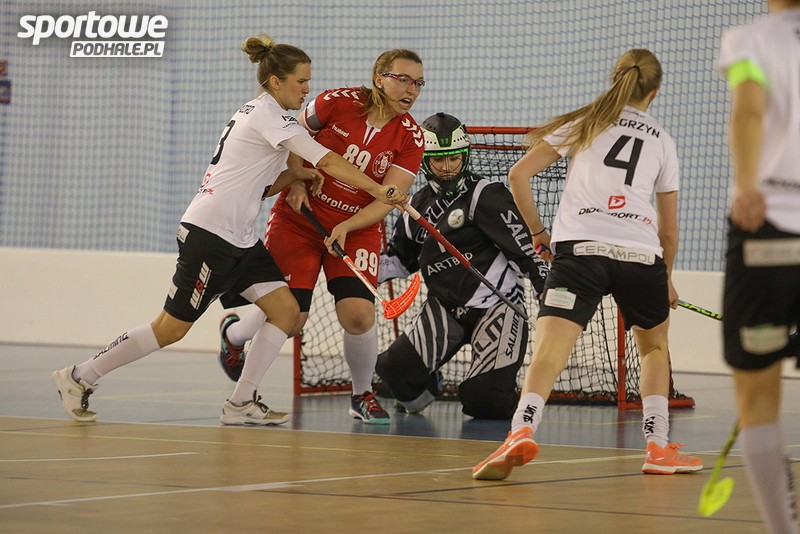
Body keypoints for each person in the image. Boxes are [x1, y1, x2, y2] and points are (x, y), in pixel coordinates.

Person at [52, 33, 406, 426]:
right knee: (170, 328)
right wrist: (379, 189)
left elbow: (262, 186)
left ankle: (241, 403)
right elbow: (328, 160)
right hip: (211, 236)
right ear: (276, 81)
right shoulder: (271, 117)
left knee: (287, 312)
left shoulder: (265, 116)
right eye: (301, 81)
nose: (307, 89)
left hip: (240, 237)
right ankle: (80, 376)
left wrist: (294, 176)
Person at [472, 48, 703, 480]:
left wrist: (539, 232)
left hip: (579, 254)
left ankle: (521, 429)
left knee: (550, 350)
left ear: (614, 79)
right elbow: (669, 230)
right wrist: (666, 278)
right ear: (655, 91)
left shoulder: (585, 122)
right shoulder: (662, 140)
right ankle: (657, 447)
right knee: (654, 349)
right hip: (641, 257)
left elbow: (518, 175)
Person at [217, 48, 425, 424]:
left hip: (358, 229)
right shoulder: (335, 102)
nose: (411, 89)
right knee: (291, 318)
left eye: (418, 83)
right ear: (379, 78)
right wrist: (296, 182)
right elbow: (293, 139)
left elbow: (387, 198)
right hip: (300, 221)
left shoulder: (412, 138)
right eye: (403, 79)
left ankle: (362, 394)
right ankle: (234, 335)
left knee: (359, 316)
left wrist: (347, 226)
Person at [375, 112, 548, 419]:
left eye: (454, 158)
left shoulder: (487, 194)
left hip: (498, 306)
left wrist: (547, 293)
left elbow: (526, 253)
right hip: (444, 308)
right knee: (392, 370)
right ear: (425, 161)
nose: (447, 167)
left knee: (484, 400)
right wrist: (362, 265)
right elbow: (400, 261)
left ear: (465, 156)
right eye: (438, 160)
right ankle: (431, 383)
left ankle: (496, 386)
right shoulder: (413, 207)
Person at [718, 2, 800, 531]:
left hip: (769, 236)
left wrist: (748, 186)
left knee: (757, 394)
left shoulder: (750, 39)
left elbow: (748, 110)